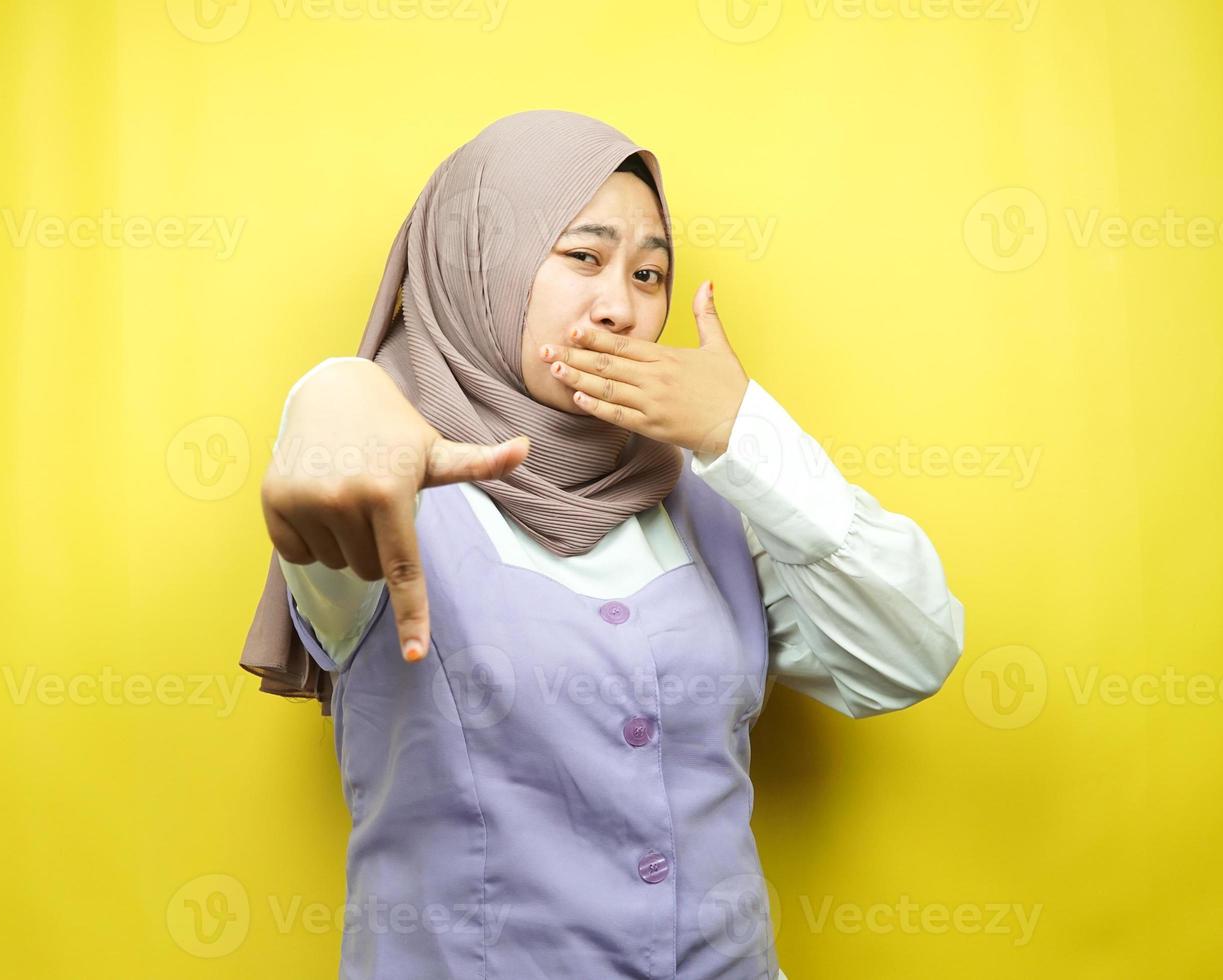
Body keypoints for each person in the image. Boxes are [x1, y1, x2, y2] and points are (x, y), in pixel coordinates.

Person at [240, 109, 965, 979]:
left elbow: (911, 655)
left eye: (650, 272)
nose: (621, 308)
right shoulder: (388, 486)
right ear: (478, 264)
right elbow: (324, 482)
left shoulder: (720, 495)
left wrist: (745, 433)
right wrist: (334, 389)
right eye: (582, 257)